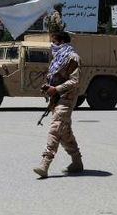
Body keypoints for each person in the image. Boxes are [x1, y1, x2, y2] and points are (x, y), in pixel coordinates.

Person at [33, 31, 83, 178]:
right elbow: (54, 78)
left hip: (67, 99)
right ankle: (77, 161)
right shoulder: (58, 58)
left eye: (54, 42)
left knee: (55, 128)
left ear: (62, 42)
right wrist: (48, 87)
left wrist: (56, 89)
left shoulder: (72, 58)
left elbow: (74, 81)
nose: (52, 45)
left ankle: (45, 163)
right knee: (64, 131)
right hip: (57, 99)